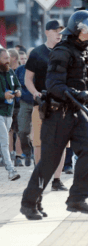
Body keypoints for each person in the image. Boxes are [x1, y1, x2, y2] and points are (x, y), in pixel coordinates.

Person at [21, 10, 88, 220]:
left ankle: (77, 198)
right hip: (58, 113)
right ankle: (29, 203)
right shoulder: (62, 51)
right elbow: (54, 84)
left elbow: (85, 82)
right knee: (49, 162)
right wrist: (77, 94)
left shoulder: (84, 51)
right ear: (77, 29)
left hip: (77, 111)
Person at [25, 19, 68, 191]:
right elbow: (28, 79)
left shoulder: (66, 51)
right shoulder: (37, 52)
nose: (59, 34)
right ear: (47, 32)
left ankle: (57, 180)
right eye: (56, 31)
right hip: (41, 104)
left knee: (61, 143)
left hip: (62, 104)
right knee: (39, 143)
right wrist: (35, 93)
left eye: (61, 31)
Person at [0, 49, 21, 180]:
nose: (8, 60)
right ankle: (11, 169)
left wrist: (18, 91)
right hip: (0, 111)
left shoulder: (11, 72)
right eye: (5, 58)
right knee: (4, 141)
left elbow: (18, 85)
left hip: (9, 111)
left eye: (8, 58)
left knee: (3, 140)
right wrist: (3, 95)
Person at [15, 51, 33, 166]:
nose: (24, 60)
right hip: (24, 103)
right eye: (22, 58)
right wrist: (19, 98)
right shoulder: (20, 70)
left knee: (40, 132)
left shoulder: (38, 68)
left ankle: (38, 157)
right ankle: (27, 153)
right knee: (22, 131)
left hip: (38, 102)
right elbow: (15, 85)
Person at [7, 48, 23, 166]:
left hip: (18, 105)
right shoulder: (4, 71)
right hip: (6, 105)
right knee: (10, 131)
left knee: (18, 132)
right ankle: (11, 155)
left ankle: (17, 156)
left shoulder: (21, 70)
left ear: (14, 58)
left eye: (8, 57)